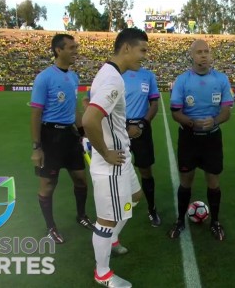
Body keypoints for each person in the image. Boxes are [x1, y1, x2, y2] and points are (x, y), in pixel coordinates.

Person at [82, 28, 149, 288]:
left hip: (122, 158)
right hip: (111, 163)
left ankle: (112, 240)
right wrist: (106, 153)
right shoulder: (113, 80)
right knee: (106, 220)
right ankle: (103, 274)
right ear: (126, 48)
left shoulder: (109, 74)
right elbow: (89, 119)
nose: (144, 56)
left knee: (135, 197)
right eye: (142, 50)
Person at [167, 39, 234, 241]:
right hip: (189, 138)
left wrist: (213, 120)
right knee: (186, 180)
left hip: (212, 138)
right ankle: (180, 220)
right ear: (192, 55)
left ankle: (215, 222)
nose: (203, 55)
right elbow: (175, 112)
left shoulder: (221, 79)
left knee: (213, 181)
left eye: (206, 51)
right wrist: (190, 122)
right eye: (199, 52)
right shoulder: (182, 80)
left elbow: (226, 111)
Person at [30, 34, 93, 244]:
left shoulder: (74, 77)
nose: (76, 51)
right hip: (51, 137)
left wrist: (83, 132)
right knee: (48, 184)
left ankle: (82, 216)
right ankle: (50, 227)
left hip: (70, 136)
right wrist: (37, 148)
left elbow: (73, 109)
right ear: (59, 50)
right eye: (72, 47)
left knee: (81, 179)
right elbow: (36, 114)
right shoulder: (44, 77)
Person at [123, 67, 161, 227]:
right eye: (140, 49)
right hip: (119, 128)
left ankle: (152, 210)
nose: (142, 53)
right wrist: (125, 127)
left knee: (146, 170)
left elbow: (154, 104)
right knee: (117, 169)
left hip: (141, 129)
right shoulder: (115, 72)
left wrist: (141, 124)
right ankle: (118, 208)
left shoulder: (148, 75)